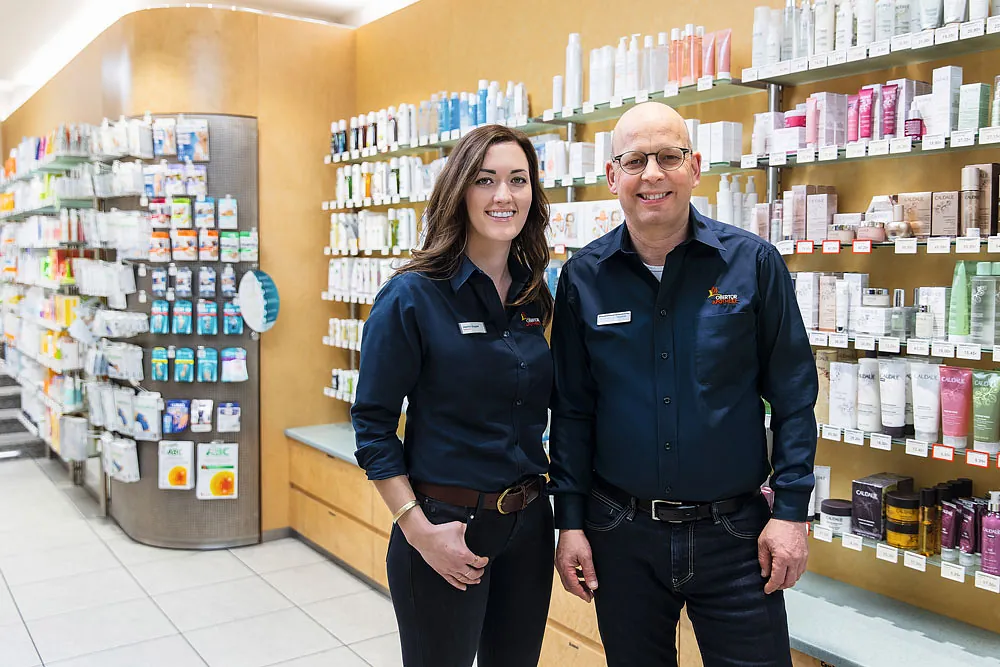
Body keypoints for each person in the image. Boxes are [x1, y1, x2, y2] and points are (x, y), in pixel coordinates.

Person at [548, 102, 818, 667]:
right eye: (635, 160)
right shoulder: (583, 278)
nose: (652, 174)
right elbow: (573, 411)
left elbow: (794, 396)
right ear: (612, 176)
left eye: (668, 157)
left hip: (737, 536)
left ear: (695, 168)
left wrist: (791, 512)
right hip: (621, 534)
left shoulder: (753, 263)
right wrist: (569, 522)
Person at [352, 124, 555, 667]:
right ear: (459, 190)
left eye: (518, 180)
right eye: (485, 180)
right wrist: (418, 530)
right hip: (445, 525)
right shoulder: (411, 296)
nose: (503, 196)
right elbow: (372, 425)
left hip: (530, 524)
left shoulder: (536, 295)